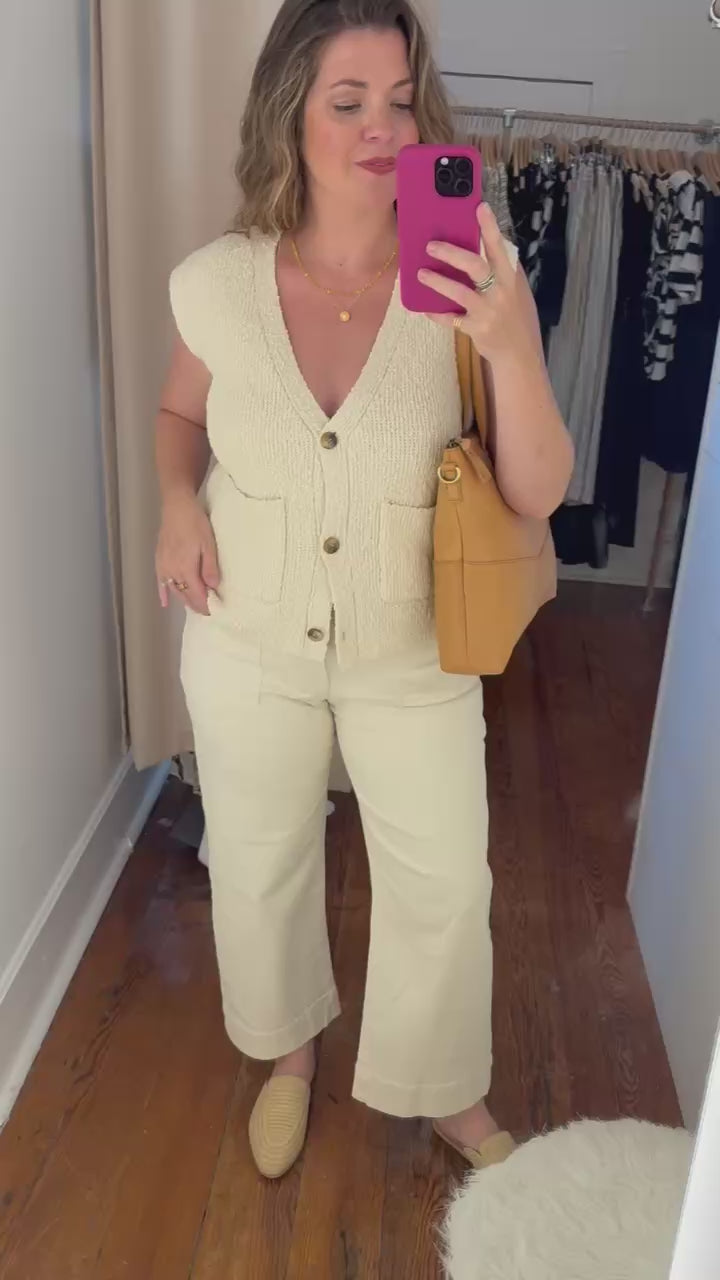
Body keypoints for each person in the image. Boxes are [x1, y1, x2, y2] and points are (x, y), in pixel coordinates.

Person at [155, 0, 572, 1181]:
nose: (382, 129)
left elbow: (539, 487)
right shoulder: (219, 281)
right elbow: (179, 409)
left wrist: (511, 342)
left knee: (444, 878)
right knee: (259, 857)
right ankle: (288, 1051)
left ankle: (447, 1089)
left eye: (400, 102)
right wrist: (177, 502)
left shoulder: (472, 274)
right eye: (348, 103)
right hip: (245, 631)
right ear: (289, 112)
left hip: (413, 643)